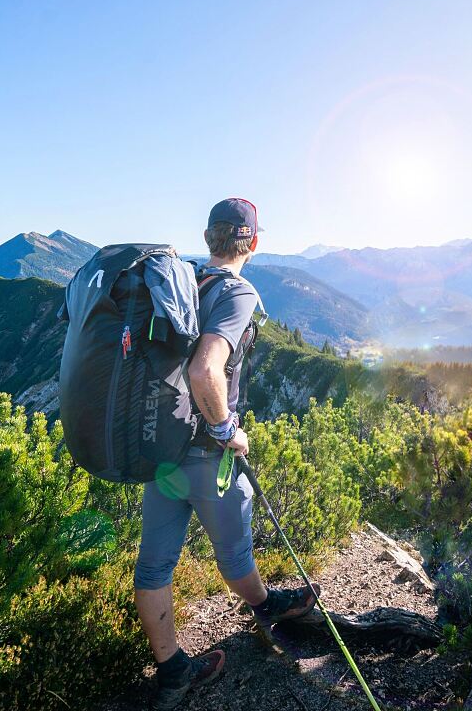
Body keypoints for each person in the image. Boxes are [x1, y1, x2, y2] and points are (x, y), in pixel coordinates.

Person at [133, 198, 319, 710]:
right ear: (252, 243)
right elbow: (204, 370)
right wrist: (226, 429)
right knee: (235, 554)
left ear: (209, 237)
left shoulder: (184, 282)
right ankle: (266, 607)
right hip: (205, 455)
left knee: (153, 567)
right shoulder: (236, 292)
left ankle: (173, 671)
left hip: (162, 452)